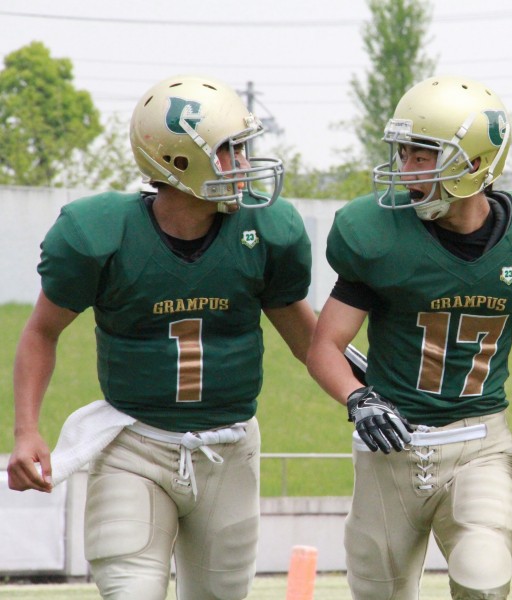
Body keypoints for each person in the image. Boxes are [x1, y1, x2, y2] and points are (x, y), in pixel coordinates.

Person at [7, 74, 317, 600]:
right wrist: (26, 430)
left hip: (229, 448)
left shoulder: (265, 231)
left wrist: (365, 396)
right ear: (180, 161)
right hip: (134, 442)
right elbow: (41, 332)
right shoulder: (101, 234)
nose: (244, 163)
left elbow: (308, 341)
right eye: (230, 150)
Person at [306, 75, 512, 600]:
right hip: (390, 447)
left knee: (484, 579)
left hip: (478, 442)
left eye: (423, 156)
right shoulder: (378, 235)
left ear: (474, 163)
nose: (406, 170)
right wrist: (359, 399)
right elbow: (325, 346)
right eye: (403, 154)